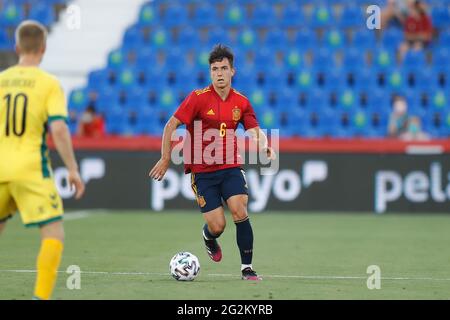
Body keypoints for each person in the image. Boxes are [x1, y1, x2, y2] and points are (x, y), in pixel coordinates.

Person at [149, 44, 275, 281]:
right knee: (218, 226)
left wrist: (265, 144)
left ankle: (247, 268)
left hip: (230, 167)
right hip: (202, 171)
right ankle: (209, 237)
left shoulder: (242, 102)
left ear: (232, 71)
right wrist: (166, 158)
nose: (219, 73)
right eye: (214, 68)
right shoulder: (197, 99)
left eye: (223, 68)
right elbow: (171, 125)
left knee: (240, 209)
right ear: (210, 72)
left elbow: (254, 129)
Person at [0, 20, 85, 300]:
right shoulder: (49, 84)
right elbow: (59, 129)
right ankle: (40, 297)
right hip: (31, 170)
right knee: (53, 233)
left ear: (17, 47)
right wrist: (72, 169)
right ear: (43, 48)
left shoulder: (1, 80)